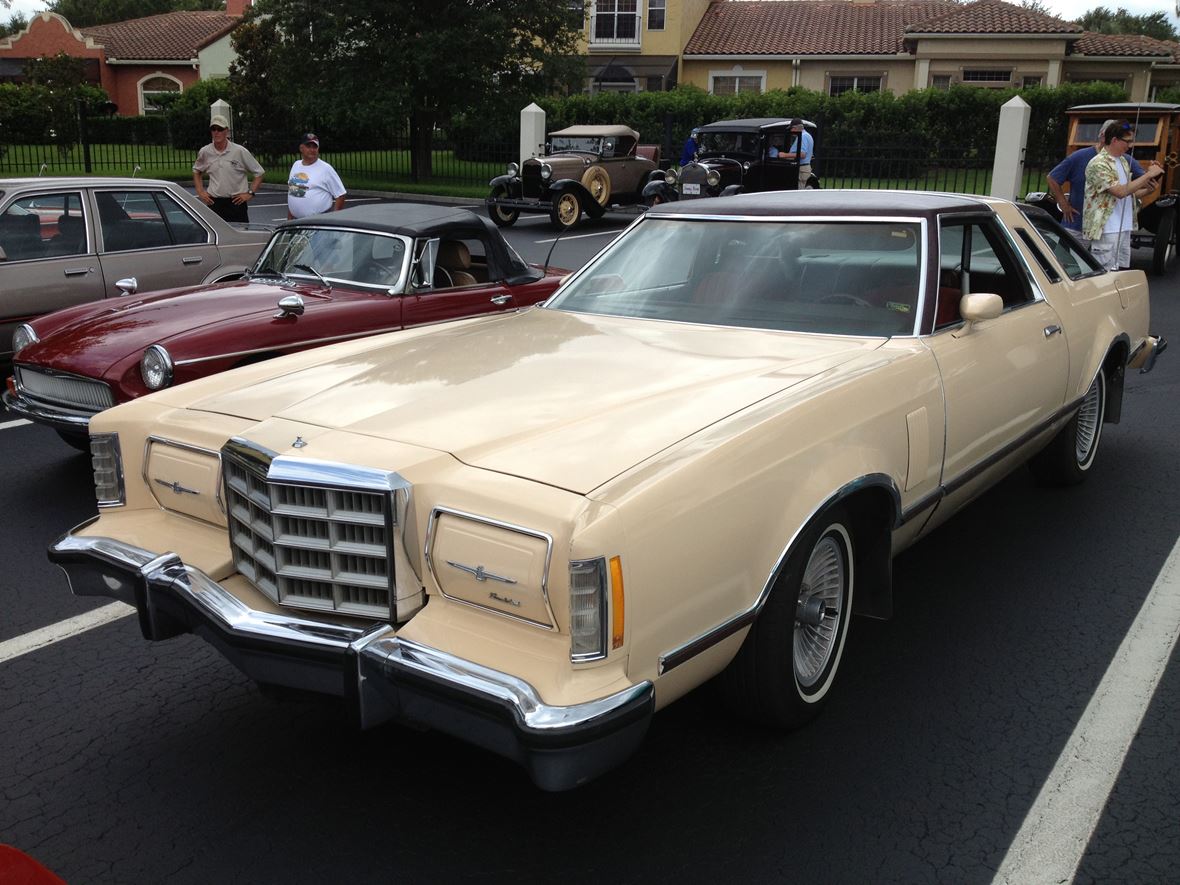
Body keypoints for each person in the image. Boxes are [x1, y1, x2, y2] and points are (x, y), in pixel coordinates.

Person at [1047, 118, 1150, 240]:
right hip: (1076, 224)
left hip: (1106, 229)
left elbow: (1138, 184)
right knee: (1067, 258)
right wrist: (1063, 203)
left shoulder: (1125, 160)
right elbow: (1052, 177)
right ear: (1103, 136)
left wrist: (1150, 180)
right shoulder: (1080, 156)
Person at [1083, 119, 1165, 271]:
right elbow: (1119, 192)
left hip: (1124, 227)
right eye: (1127, 141)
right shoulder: (1099, 163)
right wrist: (1147, 176)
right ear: (1114, 140)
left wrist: (1149, 189)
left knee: (1121, 272)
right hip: (1107, 229)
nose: (1130, 146)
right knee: (1104, 274)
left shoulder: (1122, 161)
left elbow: (1129, 193)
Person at [191, 115, 265, 223]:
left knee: (239, 237)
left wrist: (250, 193)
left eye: (220, 129)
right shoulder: (205, 151)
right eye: (213, 129)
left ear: (227, 131)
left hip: (236, 203)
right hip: (214, 203)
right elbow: (196, 170)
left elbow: (259, 173)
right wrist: (200, 192)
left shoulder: (239, 151)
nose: (216, 132)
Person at [287, 133, 347, 219]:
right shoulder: (296, 165)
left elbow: (340, 194)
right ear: (301, 148)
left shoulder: (325, 168)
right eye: (309, 146)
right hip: (297, 222)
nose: (312, 149)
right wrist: (289, 220)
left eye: (315, 147)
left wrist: (333, 219)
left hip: (318, 221)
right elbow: (293, 193)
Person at [780, 118, 814, 188]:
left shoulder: (803, 136)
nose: (791, 131)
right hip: (804, 167)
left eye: (791, 129)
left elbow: (802, 154)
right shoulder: (807, 135)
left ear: (795, 128)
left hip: (801, 169)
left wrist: (784, 155)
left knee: (798, 192)